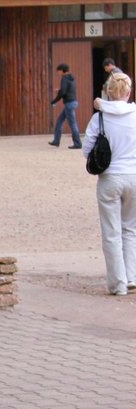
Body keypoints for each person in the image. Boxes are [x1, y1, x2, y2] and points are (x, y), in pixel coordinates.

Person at [86, 72, 136, 296]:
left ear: (108, 91)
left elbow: (87, 150)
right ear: (128, 92)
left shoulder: (100, 118)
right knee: (131, 229)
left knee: (111, 232)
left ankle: (118, 283)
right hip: (134, 175)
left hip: (109, 177)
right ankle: (132, 276)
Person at [49, 63, 82, 149]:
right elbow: (67, 90)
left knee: (72, 124)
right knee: (60, 121)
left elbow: (63, 92)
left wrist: (54, 101)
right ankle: (56, 140)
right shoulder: (72, 78)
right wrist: (59, 91)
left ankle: (78, 143)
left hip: (69, 103)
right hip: (73, 102)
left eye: (59, 71)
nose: (58, 73)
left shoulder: (64, 79)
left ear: (62, 71)